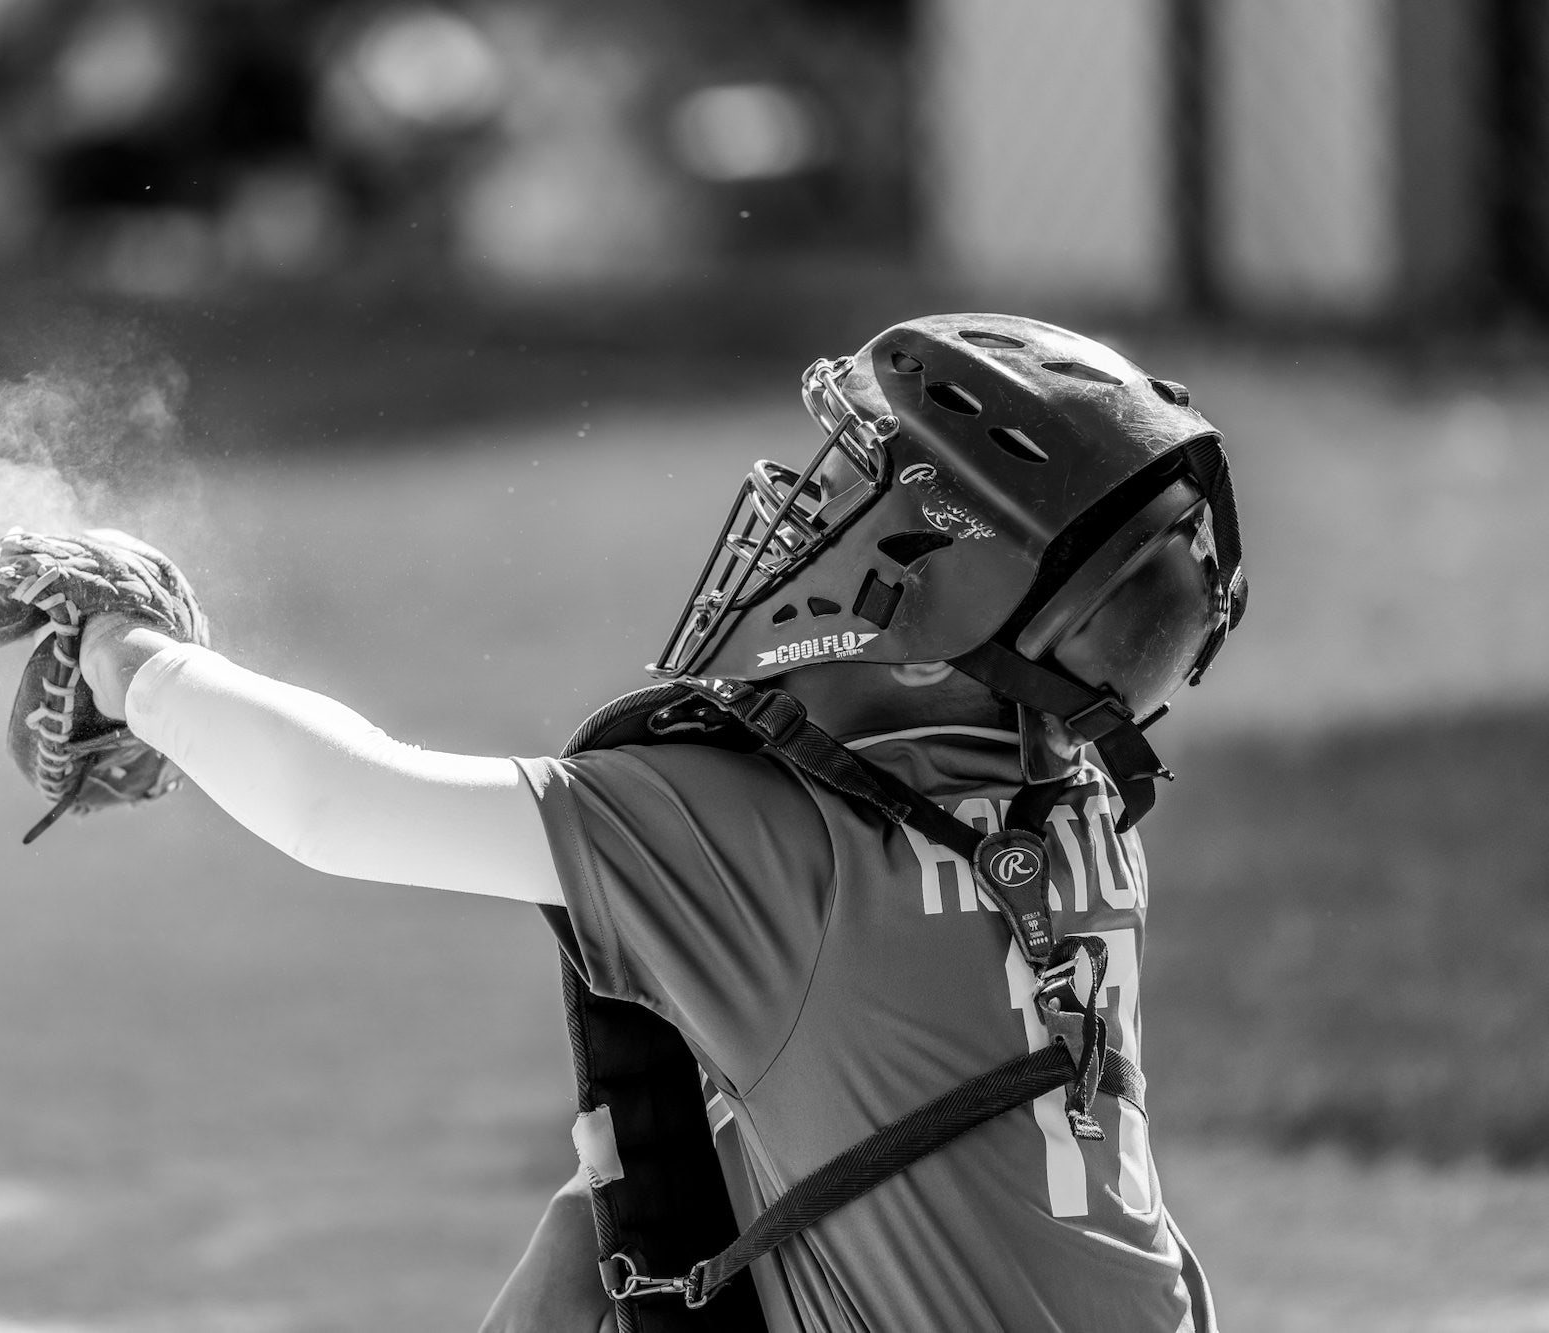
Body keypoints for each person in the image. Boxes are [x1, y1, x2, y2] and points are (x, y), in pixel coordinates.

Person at [77, 313, 1243, 1332]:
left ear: (941, 583)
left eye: (853, 486)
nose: (805, 511)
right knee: (630, 1188)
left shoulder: (772, 838)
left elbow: (335, 802)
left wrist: (120, 653)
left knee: (634, 1187)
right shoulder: (1078, 810)